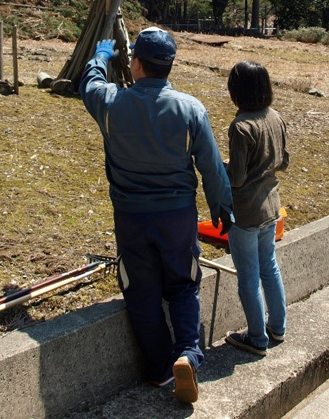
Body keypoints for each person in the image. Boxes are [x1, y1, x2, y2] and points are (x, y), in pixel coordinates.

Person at [80, 26, 234, 404]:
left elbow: (89, 83)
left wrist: (100, 56)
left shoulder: (112, 103)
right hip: (178, 216)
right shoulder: (190, 108)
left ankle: (160, 369)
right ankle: (188, 353)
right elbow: (211, 166)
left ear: (136, 64)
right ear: (169, 65)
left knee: (141, 292)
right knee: (183, 284)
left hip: (130, 216)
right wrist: (221, 206)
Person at [222, 61, 288, 357]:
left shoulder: (240, 127)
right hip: (271, 207)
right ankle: (278, 327)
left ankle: (256, 339)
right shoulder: (275, 117)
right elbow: (283, 162)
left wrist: (216, 165)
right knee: (269, 268)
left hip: (246, 213)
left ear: (237, 91)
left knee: (248, 276)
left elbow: (235, 178)